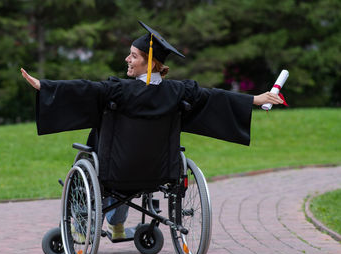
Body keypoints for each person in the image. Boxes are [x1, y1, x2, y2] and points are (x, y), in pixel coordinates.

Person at [21, 21, 283, 241]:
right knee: (122, 165)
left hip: (114, 169)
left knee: (92, 158)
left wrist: (45, 86)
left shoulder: (118, 90)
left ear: (150, 63)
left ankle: (87, 222)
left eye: (133, 55)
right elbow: (215, 98)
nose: (127, 59)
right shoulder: (179, 92)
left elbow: (83, 89)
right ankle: (117, 223)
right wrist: (255, 100)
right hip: (160, 171)